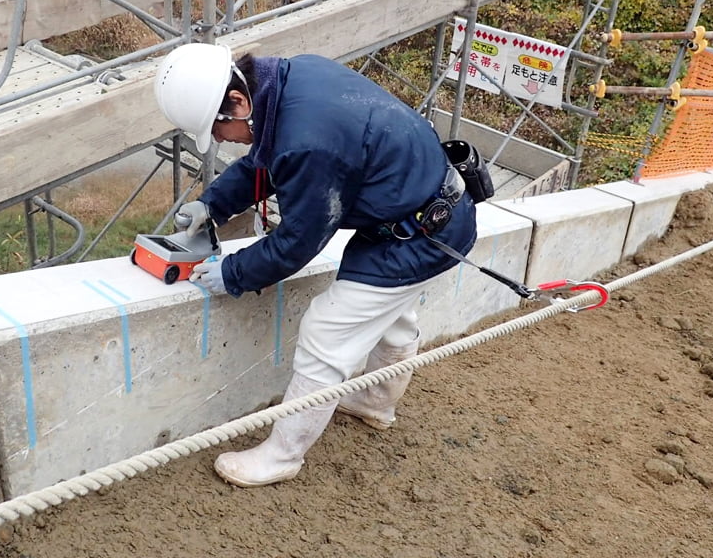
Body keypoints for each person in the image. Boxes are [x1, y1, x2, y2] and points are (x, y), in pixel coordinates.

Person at [152, 43, 478, 488]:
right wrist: (213, 205)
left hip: (420, 234)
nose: (224, 139)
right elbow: (266, 160)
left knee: (328, 332)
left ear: (237, 101)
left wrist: (232, 273)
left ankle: (282, 456)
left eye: (219, 128)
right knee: (389, 313)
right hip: (417, 209)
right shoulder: (289, 81)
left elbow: (298, 240)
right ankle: (375, 401)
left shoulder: (308, 140)